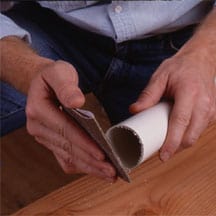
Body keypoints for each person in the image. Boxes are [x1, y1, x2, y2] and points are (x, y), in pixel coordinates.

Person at [1, 1, 216, 182]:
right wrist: (28, 70)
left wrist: (205, 53)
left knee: (183, 176)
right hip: (50, 25)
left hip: (190, 35)